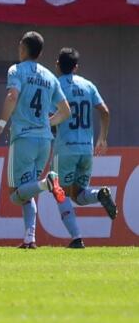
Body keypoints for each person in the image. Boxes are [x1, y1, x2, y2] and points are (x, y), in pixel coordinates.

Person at [0, 32, 71, 249]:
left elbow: (12, 96)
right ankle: (30, 238)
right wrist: (47, 123)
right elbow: (66, 111)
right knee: (28, 190)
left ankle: (47, 182)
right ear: (40, 52)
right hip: (45, 140)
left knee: (15, 194)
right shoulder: (50, 77)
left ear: (23, 48)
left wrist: (0, 125)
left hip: (23, 138)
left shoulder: (16, 70)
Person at [51, 47, 117, 248]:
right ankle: (99, 194)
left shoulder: (56, 86)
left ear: (57, 65)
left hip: (65, 149)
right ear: (76, 67)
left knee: (59, 191)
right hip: (86, 149)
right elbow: (104, 111)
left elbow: (50, 116)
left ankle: (76, 237)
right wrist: (102, 138)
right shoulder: (88, 85)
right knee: (78, 195)